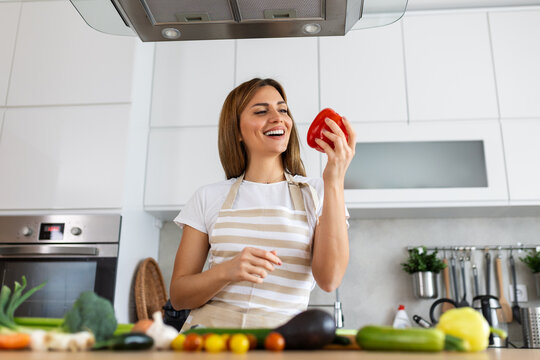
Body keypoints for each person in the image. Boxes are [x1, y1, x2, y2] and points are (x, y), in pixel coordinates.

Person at [170, 78, 356, 330]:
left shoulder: (318, 192)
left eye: (283, 109)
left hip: (279, 343)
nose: (278, 117)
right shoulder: (207, 197)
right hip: (206, 341)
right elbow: (179, 296)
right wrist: (228, 270)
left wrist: (335, 179)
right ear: (236, 131)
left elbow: (329, 278)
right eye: (261, 111)